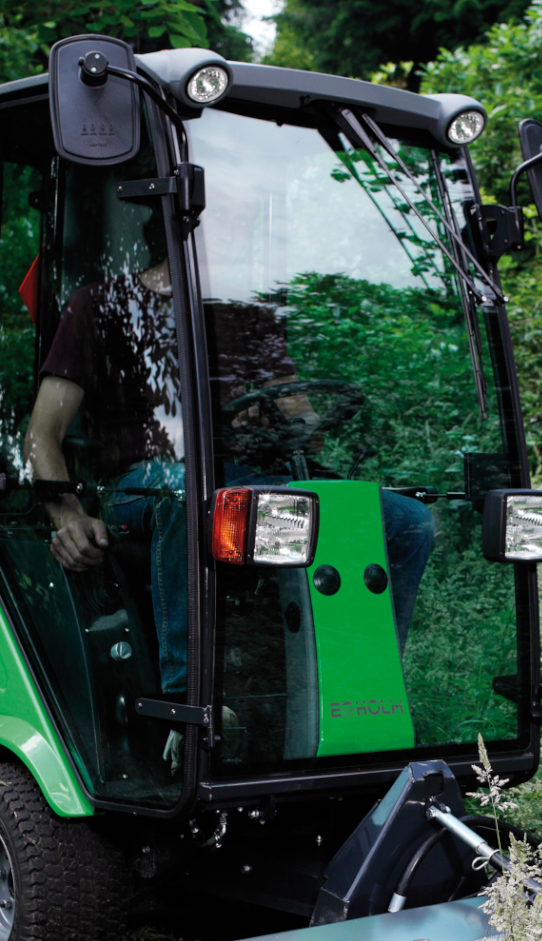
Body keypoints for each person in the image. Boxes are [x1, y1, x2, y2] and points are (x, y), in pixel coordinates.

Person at [22, 245, 435, 710]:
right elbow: (42, 433)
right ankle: (187, 706)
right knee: (186, 492)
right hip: (142, 482)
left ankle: (364, 694)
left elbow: (303, 420)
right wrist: (66, 514)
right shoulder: (101, 303)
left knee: (408, 520)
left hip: (244, 481)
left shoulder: (249, 315)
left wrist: (278, 420)